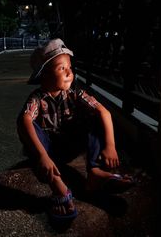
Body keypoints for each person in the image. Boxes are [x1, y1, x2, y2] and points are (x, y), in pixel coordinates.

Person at [16, 38, 135, 221]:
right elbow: (24, 119)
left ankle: (94, 172)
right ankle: (58, 185)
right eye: (61, 68)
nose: (69, 73)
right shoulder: (38, 98)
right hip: (48, 153)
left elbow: (104, 112)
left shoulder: (75, 93)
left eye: (70, 67)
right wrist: (42, 156)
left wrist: (110, 145)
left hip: (70, 146)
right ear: (44, 74)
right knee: (29, 126)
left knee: (94, 115)